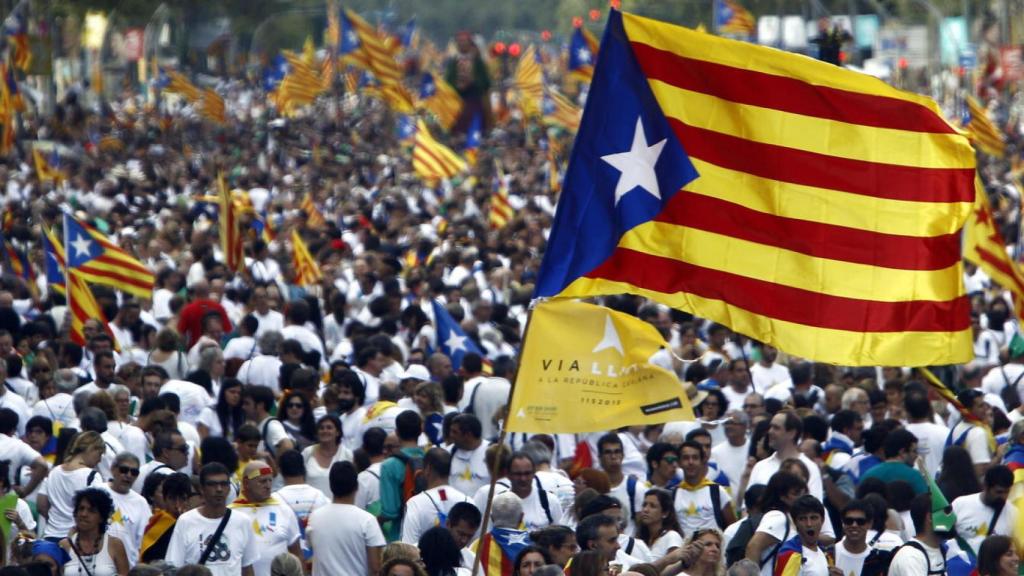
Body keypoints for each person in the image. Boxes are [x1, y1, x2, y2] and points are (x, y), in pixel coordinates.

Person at [166, 463, 259, 576]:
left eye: (223, 484)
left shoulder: (243, 521)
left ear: (229, 488)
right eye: (212, 484)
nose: (219, 489)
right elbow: (174, 566)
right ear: (202, 489)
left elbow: (247, 568)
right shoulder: (185, 521)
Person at [307, 461, 386, 576]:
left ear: (331, 485)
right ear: (357, 486)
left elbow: (312, 551)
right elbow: (375, 567)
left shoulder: (314, 517)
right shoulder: (367, 520)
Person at [229, 461, 302, 576]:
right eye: (262, 481)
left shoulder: (284, 510)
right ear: (247, 483)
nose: (268, 486)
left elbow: (297, 554)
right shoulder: (230, 514)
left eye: (270, 480)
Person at [39, 431, 107, 540]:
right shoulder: (91, 476)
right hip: (75, 538)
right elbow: (97, 508)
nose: (99, 460)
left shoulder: (54, 471)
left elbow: (41, 504)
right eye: (100, 454)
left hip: (50, 535)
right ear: (92, 449)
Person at [400, 448, 471, 545]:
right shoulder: (468, 501)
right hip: (459, 560)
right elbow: (473, 545)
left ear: (428, 468)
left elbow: (408, 546)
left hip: (423, 559)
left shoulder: (415, 503)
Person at [476, 451, 560, 532]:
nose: (523, 479)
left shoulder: (550, 501)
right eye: (518, 474)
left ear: (534, 473)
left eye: (527, 473)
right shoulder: (497, 502)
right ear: (508, 474)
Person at [744, 471, 807, 576]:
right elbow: (753, 546)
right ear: (781, 496)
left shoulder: (787, 517)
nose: (801, 497)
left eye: (802, 492)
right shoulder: (777, 517)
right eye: (795, 493)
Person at [748, 412, 823, 500]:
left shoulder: (810, 467)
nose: (770, 432)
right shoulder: (760, 466)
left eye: (776, 428)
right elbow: (747, 505)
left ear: (792, 433)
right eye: (770, 427)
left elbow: (815, 504)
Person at [59, 488, 131, 576]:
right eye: (81, 509)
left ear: (101, 517)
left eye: (91, 510)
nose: (84, 514)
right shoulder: (65, 545)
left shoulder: (115, 545)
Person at [273, 449, 329, 560]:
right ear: (304, 468)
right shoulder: (322, 497)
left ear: (280, 470)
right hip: (319, 563)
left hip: (287, 565)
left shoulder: (273, 500)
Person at [673, 440, 735, 539]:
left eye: (695, 458)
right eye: (685, 458)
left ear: (702, 461)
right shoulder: (673, 494)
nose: (690, 462)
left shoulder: (717, 491)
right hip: (684, 551)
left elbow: (732, 526)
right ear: (679, 463)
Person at [381, 411, 426, 541]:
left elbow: (390, 511)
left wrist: (375, 520)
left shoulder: (389, 465)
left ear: (397, 432)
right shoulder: (431, 460)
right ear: (420, 431)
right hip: (427, 531)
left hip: (399, 535)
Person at [952, 465, 1015, 557]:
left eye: (1007, 492)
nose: (1003, 497)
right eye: (999, 492)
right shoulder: (960, 504)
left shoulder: (1014, 514)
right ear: (986, 486)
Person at [104, 453, 152, 566]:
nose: (129, 475)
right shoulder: (97, 491)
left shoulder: (141, 503)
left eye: (134, 472)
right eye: (124, 470)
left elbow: (143, 541)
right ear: (113, 469)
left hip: (128, 567)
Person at [597, 433, 647, 537]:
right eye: (608, 452)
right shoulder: (594, 488)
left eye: (617, 452)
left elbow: (641, 526)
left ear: (623, 455)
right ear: (600, 458)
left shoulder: (636, 488)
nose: (613, 456)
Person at [771, 495, 834, 576]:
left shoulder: (826, 554)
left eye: (813, 518)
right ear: (795, 522)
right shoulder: (788, 555)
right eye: (803, 519)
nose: (809, 524)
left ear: (822, 520)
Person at [887, 494, 946, 576]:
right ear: (930, 517)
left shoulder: (944, 549)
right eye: (946, 512)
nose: (952, 517)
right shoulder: (910, 556)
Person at [139, 473, 192, 563]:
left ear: (189, 500)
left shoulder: (194, 523)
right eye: (172, 498)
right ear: (164, 498)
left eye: (183, 499)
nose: (177, 505)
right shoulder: (157, 524)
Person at [858, 429, 928, 495]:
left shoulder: (868, 475)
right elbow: (925, 504)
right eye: (914, 451)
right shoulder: (914, 476)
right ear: (902, 452)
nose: (916, 455)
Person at [302, 414, 353, 499]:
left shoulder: (348, 455)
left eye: (329, 428)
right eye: (321, 428)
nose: (325, 431)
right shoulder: (307, 453)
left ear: (338, 432)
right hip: (310, 507)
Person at [834, 500, 889, 576]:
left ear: (870, 524)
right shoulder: (830, 554)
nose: (854, 525)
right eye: (849, 521)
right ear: (843, 523)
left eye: (860, 521)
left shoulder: (877, 560)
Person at [241, 385, 294, 459]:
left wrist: (276, 468)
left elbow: (287, 445)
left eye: (247, 403)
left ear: (260, 405)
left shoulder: (271, 425)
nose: (243, 407)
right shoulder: (259, 425)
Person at [448, 414, 491, 497]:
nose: (451, 435)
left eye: (455, 432)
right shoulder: (448, 452)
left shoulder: (492, 452)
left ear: (468, 435)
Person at [636, 488, 684, 560]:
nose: (645, 510)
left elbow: (674, 566)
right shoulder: (639, 539)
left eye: (652, 506)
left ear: (665, 513)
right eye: (644, 505)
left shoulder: (672, 537)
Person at [197, 377, 244, 441]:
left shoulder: (240, 415)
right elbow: (203, 441)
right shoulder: (208, 412)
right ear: (223, 393)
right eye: (232, 392)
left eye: (239, 393)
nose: (236, 396)